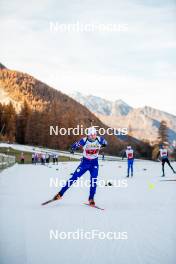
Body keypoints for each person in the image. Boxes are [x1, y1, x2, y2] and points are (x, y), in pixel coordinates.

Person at [52, 127, 107, 206]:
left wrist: (104, 144)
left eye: (95, 134)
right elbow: (75, 144)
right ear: (88, 135)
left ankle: (91, 198)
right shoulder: (84, 140)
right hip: (85, 163)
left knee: (94, 180)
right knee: (74, 178)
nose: (93, 136)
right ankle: (60, 194)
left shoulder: (99, 139)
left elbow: (105, 142)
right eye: (91, 135)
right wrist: (73, 148)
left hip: (94, 163)